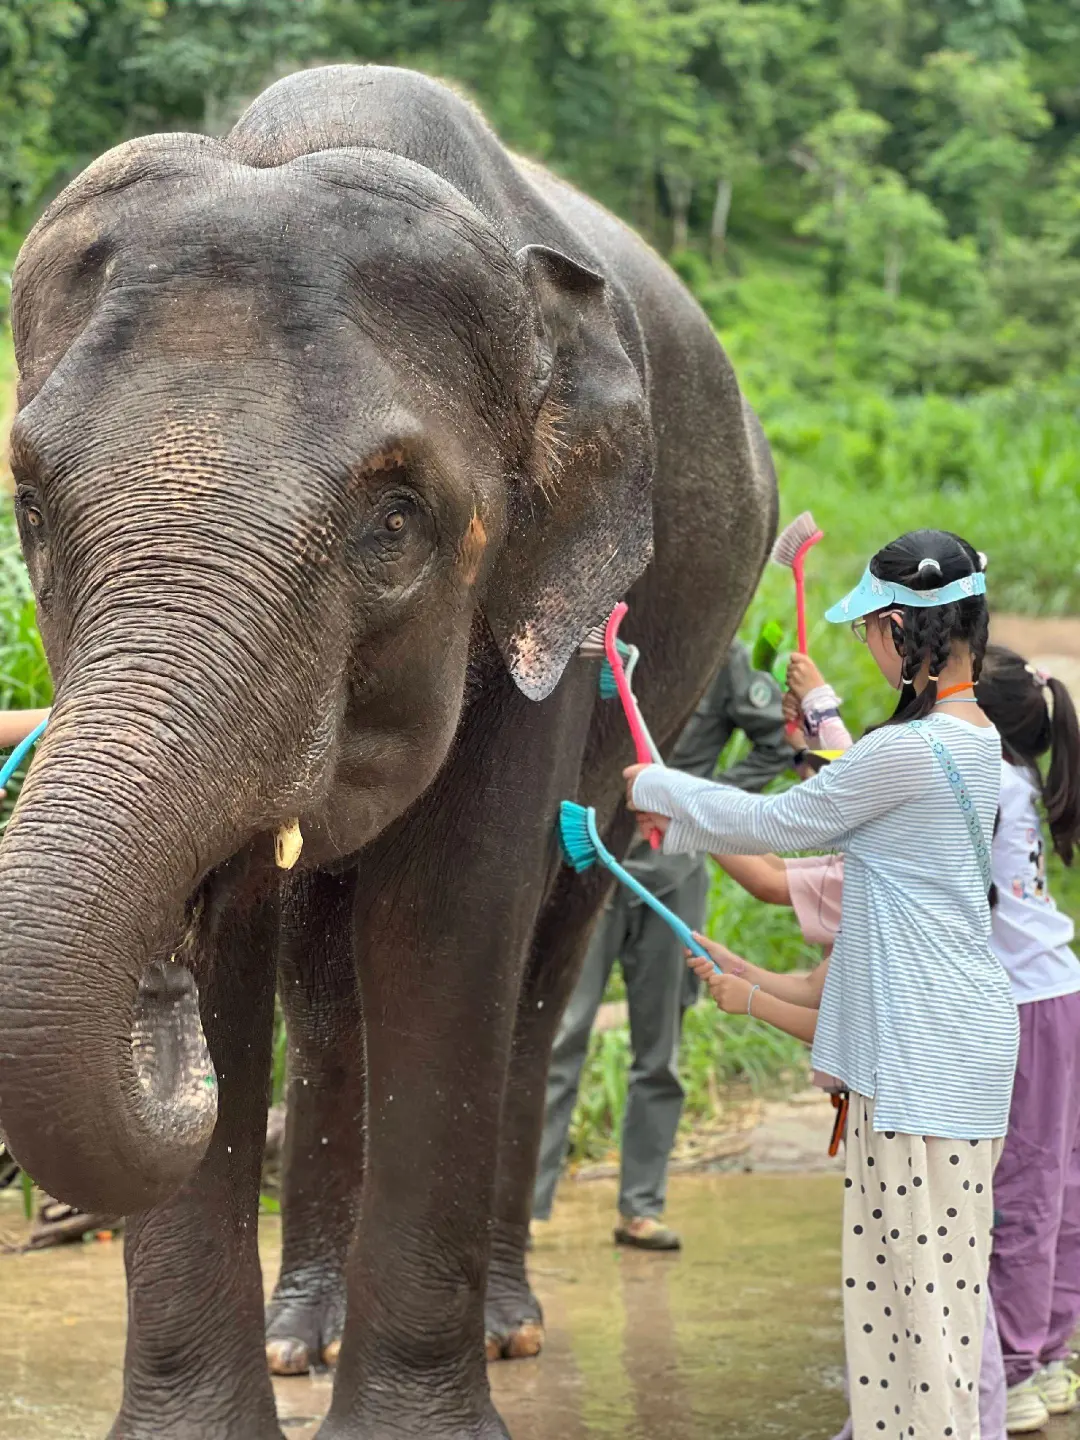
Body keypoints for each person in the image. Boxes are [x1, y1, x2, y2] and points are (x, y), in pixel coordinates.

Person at [627, 529, 1018, 1439]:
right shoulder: (975, 739)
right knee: (941, 1314)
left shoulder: (908, 753)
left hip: (918, 1059)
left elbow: (782, 822)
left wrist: (659, 787)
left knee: (905, 1329)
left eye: (869, 633)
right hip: (959, 1048)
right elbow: (835, 821)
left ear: (896, 631)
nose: (865, 648)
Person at [532, 641, 788, 1250]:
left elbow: (774, 739)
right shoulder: (594, 646)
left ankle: (640, 1207)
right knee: (560, 1038)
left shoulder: (716, 653)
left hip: (672, 881)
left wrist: (705, 808)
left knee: (660, 1050)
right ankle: (525, 1210)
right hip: (589, 866)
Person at [973, 646, 1080, 1433]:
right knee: (1060, 1186)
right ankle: (1047, 1353)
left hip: (1027, 1007)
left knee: (1025, 1192)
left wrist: (822, 718)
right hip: (1059, 991)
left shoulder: (988, 786)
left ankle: (1017, 1367)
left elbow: (875, 804)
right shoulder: (1021, 781)